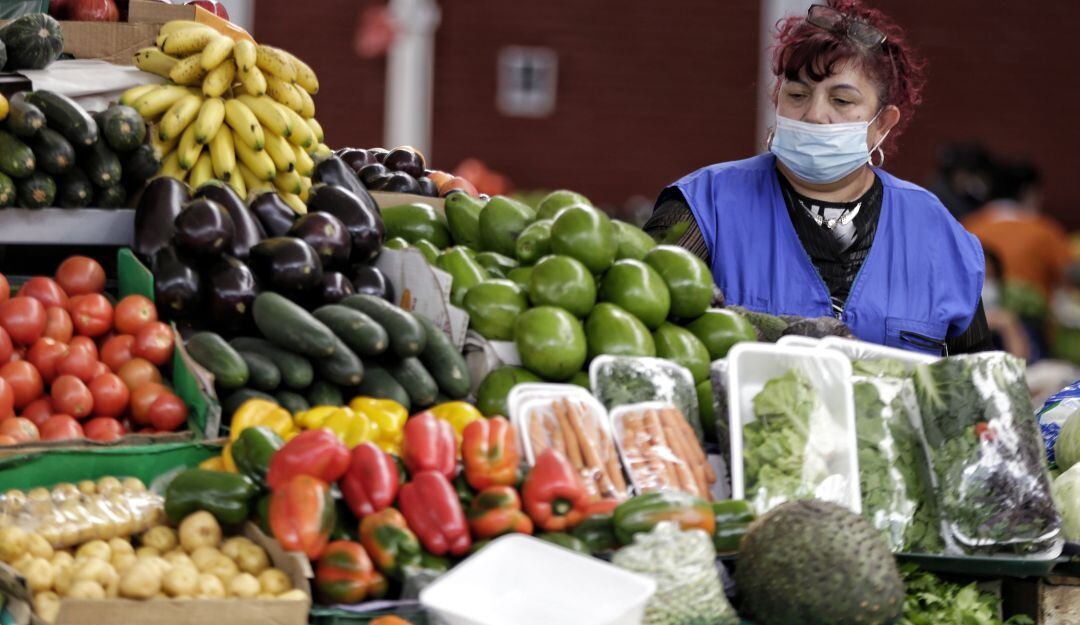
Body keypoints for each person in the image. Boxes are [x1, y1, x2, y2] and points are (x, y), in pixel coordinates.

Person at [644, 0, 991, 355]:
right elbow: (642, 322)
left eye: (841, 101)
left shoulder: (938, 234)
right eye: (797, 94)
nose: (814, 114)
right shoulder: (703, 208)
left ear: (882, 124)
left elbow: (978, 382)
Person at [963, 160, 1071, 302]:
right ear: (1029, 192)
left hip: (975, 318)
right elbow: (1070, 278)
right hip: (1031, 319)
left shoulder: (967, 226)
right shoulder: (1045, 231)